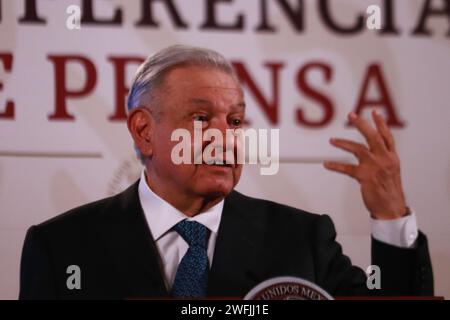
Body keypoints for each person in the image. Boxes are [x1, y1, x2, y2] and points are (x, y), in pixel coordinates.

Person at [19, 45, 433, 299]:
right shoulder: (62, 247)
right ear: (145, 132)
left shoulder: (302, 240)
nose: (226, 137)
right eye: (201, 118)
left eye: (235, 122)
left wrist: (392, 217)